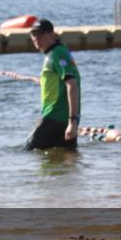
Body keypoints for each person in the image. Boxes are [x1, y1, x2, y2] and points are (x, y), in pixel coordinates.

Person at [24, 19, 81, 151]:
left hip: (54, 117)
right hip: (61, 119)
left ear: (51, 34)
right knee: (66, 160)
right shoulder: (57, 52)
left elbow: (72, 84)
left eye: (40, 34)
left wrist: (73, 121)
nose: (36, 38)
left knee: (27, 153)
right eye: (33, 34)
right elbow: (60, 80)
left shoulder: (57, 54)